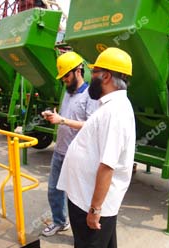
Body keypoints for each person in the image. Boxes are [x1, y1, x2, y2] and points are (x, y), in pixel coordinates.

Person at [57, 47, 136, 248]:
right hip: (86, 197)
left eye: (94, 73)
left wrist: (94, 210)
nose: (90, 77)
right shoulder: (109, 106)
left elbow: (108, 166)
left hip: (89, 204)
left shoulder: (114, 112)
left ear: (106, 76)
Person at [41, 51, 99, 237]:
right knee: (53, 191)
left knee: (77, 199)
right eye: (62, 77)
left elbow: (91, 126)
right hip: (60, 152)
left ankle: (82, 234)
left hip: (77, 156)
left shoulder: (90, 95)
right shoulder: (68, 92)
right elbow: (65, 117)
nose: (64, 80)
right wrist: (53, 116)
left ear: (78, 71)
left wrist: (62, 120)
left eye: (66, 75)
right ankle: (60, 222)